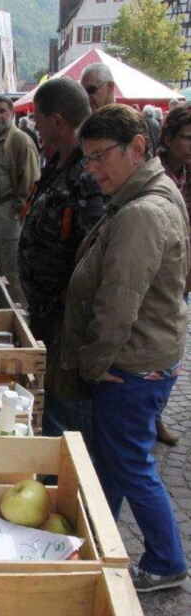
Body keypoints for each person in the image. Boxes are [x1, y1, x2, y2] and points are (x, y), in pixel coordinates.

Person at [59, 104, 188, 592]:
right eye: (86, 160)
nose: (91, 171)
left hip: (131, 364)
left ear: (137, 147)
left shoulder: (143, 211)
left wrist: (92, 365)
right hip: (139, 358)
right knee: (116, 457)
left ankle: (165, 561)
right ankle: (101, 538)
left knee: (131, 461)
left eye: (98, 158)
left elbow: (118, 303)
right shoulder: (149, 193)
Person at [19, 77, 105, 440]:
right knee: (51, 398)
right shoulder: (58, 160)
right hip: (47, 311)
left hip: (67, 318)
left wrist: (72, 312)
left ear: (57, 120)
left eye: (37, 118)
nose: (34, 125)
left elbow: (93, 252)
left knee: (66, 408)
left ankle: (67, 477)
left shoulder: (89, 171)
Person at [0, 95, 40, 304]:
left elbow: (31, 181)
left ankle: (19, 315)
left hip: (8, 214)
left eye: (2, 111)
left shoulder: (20, 140)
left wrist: (18, 211)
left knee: (13, 271)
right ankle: (0, 311)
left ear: (11, 112)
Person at [154, 102, 191, 445]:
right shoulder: (155, 171)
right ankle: (151, 416)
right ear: (168, 137)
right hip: (156, 273)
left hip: (183, 273)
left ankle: (157, 416)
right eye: (187, 138)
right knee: (155, 348)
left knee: (173, 349)